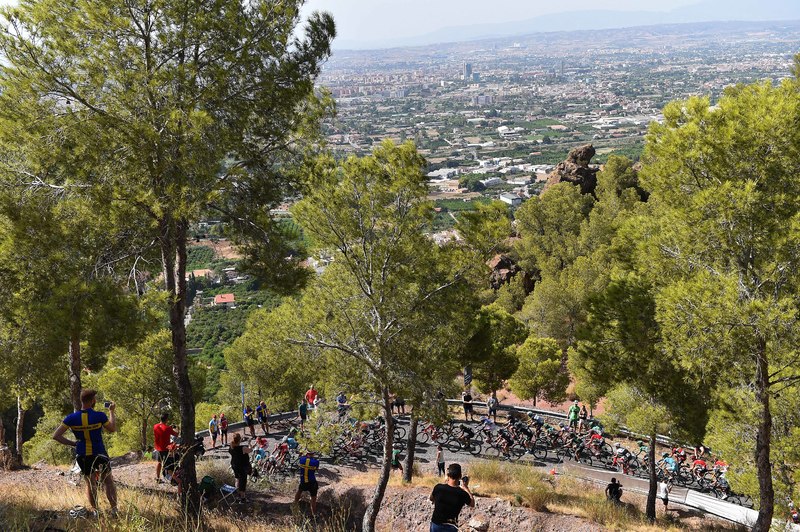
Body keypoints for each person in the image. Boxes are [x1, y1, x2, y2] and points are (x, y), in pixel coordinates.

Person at [52, 389, 118, 517]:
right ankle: (114, 510)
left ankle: (95, 511)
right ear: (93, 400)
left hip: (82, 454)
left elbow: (56, 436)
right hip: (99, 453)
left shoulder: (71, 418)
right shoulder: (100, 416)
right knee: (108, 480)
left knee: (90, 482)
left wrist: (73, 443)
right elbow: (112, 429)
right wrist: (111, 411)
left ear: (81, 401)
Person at [429, 463, 475, 531]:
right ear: (460, 476)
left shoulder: (438, 488)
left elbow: (431, 498)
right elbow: (472, 503)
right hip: (451, 526)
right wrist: (466, 487)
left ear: (448, 475)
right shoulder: (462, 494)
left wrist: (445, 482)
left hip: (436, 524)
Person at [152, 412, 178, 483]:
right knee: (168, 466)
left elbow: (162, 430)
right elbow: (176, 434)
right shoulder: (168, 428)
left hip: (158, 448)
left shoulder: (155, 426)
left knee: (159, 462)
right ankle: (176, 480)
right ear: (166, 420)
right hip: (166, 449)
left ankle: (157, 478)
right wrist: (177, 428)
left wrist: (168, 427)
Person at [295, 451, 320, 516]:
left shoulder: (302, 459)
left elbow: (300, 456)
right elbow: (317, 469)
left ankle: (295, 504)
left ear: (306, 453)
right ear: (313, 454)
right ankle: (313, 514)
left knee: (299, 491)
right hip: (312, 481)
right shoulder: (316, 462)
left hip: (303, 480)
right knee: (313, 498)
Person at [228, 433, 251, 503]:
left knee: (237, 479)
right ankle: (243, 498)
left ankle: (237, 495)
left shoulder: (231, 447)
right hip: (242, 466)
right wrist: (250, 443)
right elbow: (250, 450)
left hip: (234, 465)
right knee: (243, 481)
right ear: (239, 440)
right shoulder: (242, 448)